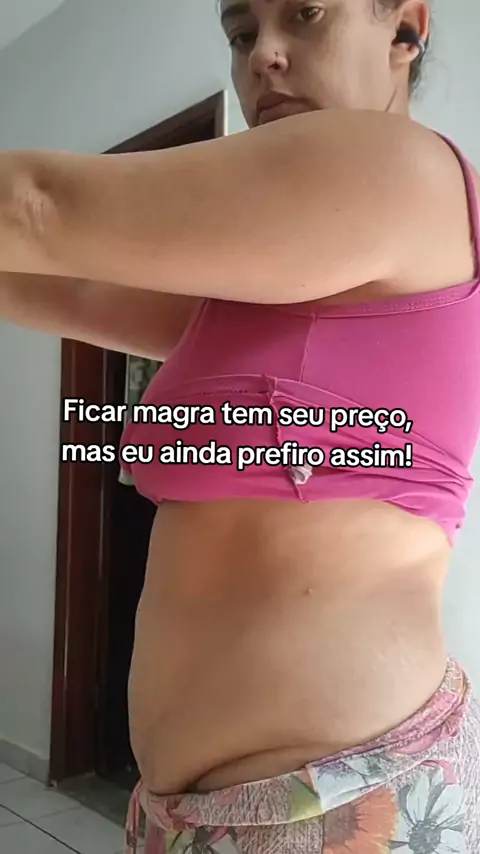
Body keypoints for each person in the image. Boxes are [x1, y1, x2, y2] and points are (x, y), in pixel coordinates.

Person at [1, 0, 480, 850]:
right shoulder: (283, 275)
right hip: (197, 812)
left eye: (306, 15)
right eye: (240, 33)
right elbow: (66, 284)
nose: (265, 55)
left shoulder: (391, 165)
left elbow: (34, 208)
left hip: (339, 798)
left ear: (405, 27)